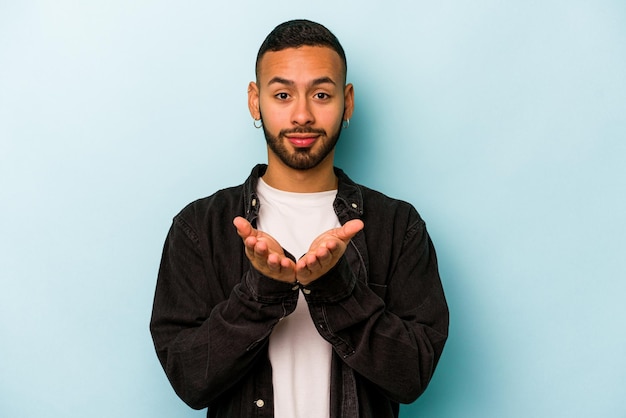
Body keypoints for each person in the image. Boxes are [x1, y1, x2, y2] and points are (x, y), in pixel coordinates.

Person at [150, 19, 448, 418]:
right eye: (283, 94)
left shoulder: (399, 226)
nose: (302, 115)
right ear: (256, 101)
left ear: (348, 102)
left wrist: (337, 288)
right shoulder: (199, 227)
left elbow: (412, 376)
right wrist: (261, 291)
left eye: (321, 94)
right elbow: (189, 380)